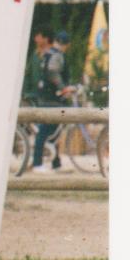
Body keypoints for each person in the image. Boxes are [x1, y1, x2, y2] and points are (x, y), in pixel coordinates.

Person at [31, 30, 75, 173]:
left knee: (53, 131)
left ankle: (56, 163)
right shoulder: (57, 55)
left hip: (44, 95)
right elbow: (53, 73)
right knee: (45, 131)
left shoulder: (47, 53)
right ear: (67, 45)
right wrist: (63, 88)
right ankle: (37, 163)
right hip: (51, 98)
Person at [22, 27, 51, 104]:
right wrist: (24, 93)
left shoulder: (53, 56)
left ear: (46, 39)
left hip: (47, 99)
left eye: (38, 37)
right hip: (32, 96)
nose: (35, 39)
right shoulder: (34, 55)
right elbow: (27, 74)